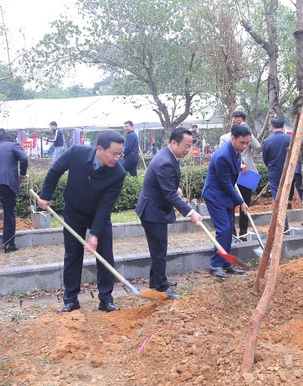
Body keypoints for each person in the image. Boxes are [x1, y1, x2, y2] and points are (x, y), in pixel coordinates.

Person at [37, 131, 127, 313]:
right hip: (73, 213)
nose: (117, 158)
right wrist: (45, 196)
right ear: (100, 149)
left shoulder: (118, 173)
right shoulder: (77, 152)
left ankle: (106, 300)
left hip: (98, 217)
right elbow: (55, 170)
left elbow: (105, 206)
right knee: (72, 256)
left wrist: (94, 234)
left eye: (120, 154)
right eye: (114, 153)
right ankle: (71, 300)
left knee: (105, 257)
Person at [136, 127, 202, 298]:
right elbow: (169, 194)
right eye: (185, 146)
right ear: (174, 142)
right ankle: (161, 287)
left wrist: (175, 187)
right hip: (152, 212)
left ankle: (156, 280)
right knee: (159, 251)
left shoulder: (168, 155)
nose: (187, 150)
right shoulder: (165, 161)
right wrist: (190, 213)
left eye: (189, 146)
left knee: (158, 250)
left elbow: (167, 185)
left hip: (154, 209)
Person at [203, 124, 252, 278]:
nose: (244, 146)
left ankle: (226, 263)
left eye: (246, 143)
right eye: (241, 143)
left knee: (229, 230)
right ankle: (215, 265)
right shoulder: (223, 156)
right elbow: (225, 184)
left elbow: (232, 179)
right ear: (233, 139)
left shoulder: (236, 152)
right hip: (215, 195)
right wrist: (241, 202)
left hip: (225, 195)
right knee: (223, 229)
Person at [219, 110, 261, 239]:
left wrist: (248, 130)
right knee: (230, 204)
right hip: (233, 174)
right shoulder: (225, 137)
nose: (235, 125)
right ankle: (232, 232)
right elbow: (220, 155)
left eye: (239, 122)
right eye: (234, 122)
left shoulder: (248, 137)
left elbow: (258, 147)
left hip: (248, 173)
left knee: (245, 203)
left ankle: (243, 231)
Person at [262, 117, 292, 230]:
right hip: (287, 172)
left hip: (274, 173)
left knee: (278, 199)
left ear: (272, 127)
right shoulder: (289, 139)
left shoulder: (267, 141)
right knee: (284, 198)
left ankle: (283, 226)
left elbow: (266, 159)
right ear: (283, 126)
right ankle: (282, 225)